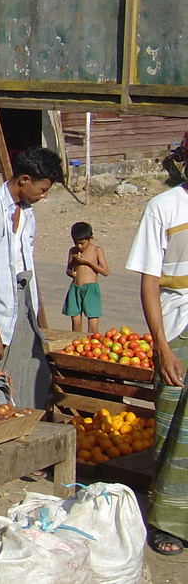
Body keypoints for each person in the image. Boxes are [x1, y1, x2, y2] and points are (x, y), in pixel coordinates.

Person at [0, 145, 64, 410]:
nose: (43, 196)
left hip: (22, 305)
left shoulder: (27, 212)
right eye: (42, 189)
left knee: (32, 376)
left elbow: (24, 260)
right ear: (23, 180)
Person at [125, 179, 188, 556]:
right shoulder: (163, 207)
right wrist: (161, 347)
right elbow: (149, 282)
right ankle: (167, 520)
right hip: (178, 329)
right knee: (173, 428)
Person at [63, 221, 108, 333]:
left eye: (82, 243)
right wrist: (70, 273)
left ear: (90, 238)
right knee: (76, 324)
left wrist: (88, 263)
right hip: (75, 288)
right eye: (76, 243)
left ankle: (92, 346)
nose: (79, 246)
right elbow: (68, 269)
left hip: (91, 289)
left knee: (93, 326)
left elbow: (105, 272)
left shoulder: (96, 250)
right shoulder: (73, 251)